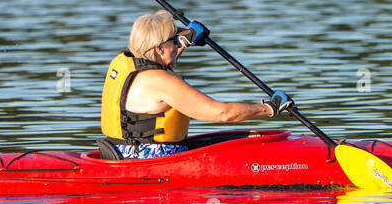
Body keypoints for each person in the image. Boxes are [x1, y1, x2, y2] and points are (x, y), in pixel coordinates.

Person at [100, 10, 293, 158]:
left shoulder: (123, 62)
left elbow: (156, 60)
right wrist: (269, 108)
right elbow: (222, 113)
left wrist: (185, 40)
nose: (177, 46)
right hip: (152, 161)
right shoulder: (162, 83)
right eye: (174, 41)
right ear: (159, 47)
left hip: (121, 151)